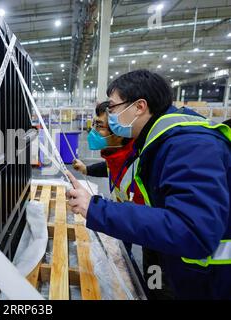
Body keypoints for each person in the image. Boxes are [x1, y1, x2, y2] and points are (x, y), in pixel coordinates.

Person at [66, 69, 231, 299]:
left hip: (209, 284)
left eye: (112, 108)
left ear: (139, 107)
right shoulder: (158, 141)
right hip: (184, 269)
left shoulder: (190, 145)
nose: (110, 116)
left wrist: (95, 209)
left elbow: (193, 232)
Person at [73, 101, 144, 204]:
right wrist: (86, 169)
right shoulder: (116, 156)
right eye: (94, 124)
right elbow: (110, 167)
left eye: (99, 126)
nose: (93, 131)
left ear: (119, 132)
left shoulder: (141, 165)